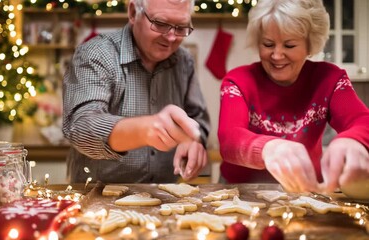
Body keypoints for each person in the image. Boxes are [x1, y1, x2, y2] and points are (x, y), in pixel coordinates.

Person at [218, 0, 369, 193]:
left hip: (305, 191)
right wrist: (269, 148)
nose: (277, 55)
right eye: (268, 44)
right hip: (241, 192)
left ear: (310, 45)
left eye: (289, 45)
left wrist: (353, 140)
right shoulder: (238, 80)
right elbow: (229, 140)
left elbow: (362, 120)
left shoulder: (330, 79)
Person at [62, 0, 210, 183]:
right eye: (160, 24)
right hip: (98, 197)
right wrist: (143, 130)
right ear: (133, 13)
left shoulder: (184, 60)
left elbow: (199, 118)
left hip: (163, 198)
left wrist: (195, 141)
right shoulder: (96, 54)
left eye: (181, 27)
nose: (171, 37)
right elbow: (81, 127)